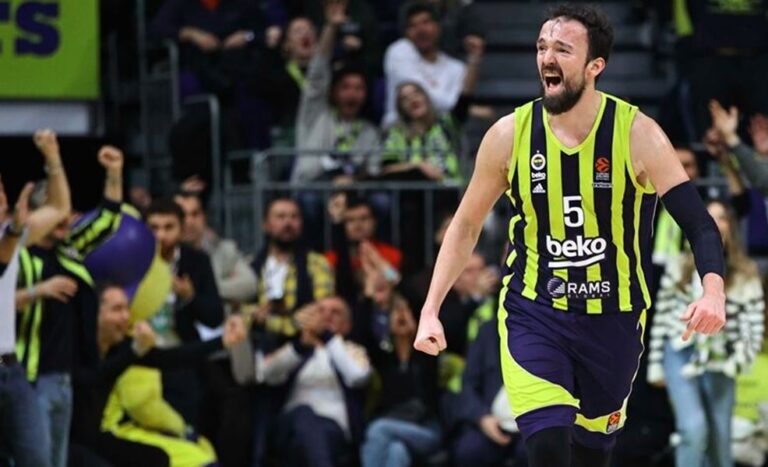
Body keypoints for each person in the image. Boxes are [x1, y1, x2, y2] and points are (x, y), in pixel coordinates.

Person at [412, 5, 727, 467]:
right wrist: (431, 308)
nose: (547, 57)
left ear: (595, 65)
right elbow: (465, 225)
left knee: (590, 455)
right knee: (548, 445)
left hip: (614, 317)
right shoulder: (509, 135)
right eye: (542, 47)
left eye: (563, 49)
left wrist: (713, 290)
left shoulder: (638, 134)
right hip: (534, 310)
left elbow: (699, 222)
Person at [13, 140, 125, 467]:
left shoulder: (69, 250)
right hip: (28, 376)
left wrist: (115, 173)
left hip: (64, 376)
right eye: (58, 214)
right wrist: (40, 291)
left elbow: (107, 220)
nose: (67, 219)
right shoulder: (16, 255)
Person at [648, 200, 765, 467]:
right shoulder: (679, 267)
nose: (715, 224)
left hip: (722, 358)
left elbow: (753, 325)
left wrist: (737, 362)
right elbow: (662, 317)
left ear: (731, 225)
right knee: (693, 429)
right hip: (681, 351)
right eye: (708, 218)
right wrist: (655, 366)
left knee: (720, 439)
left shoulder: (746, 274)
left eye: (721, 218)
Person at [258, 297, 371, 467]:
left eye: (335, 312)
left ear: (347, 325)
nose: (326, 316)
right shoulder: (295, 349)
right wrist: (300, 346)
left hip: (332, 431)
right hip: (288, 426)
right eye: (321, 310)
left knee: (307, 438)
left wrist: (327, 336)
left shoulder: (352, 351)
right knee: (304, 413)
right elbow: (265, 374)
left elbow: (358, 377)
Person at [144, 198, 225, 425]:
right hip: (143, 356)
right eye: (153, 228)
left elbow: (215, 317)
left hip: (182, 356)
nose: (160, 235)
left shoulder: (197, 261)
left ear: (181, 230)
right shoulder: (134, 262)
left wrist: (190, 297)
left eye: (168, 227)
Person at [290, 0, 380, 184]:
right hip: (310, 189)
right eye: (345, 87)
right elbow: (317, 74)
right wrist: (331, 28)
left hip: (351, 192)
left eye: (358, 88)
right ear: (334, 93)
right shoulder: (316, 114)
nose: (352, 94)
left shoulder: (370, 132)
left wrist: (353, 180)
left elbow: (374, 172)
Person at [382, 2, 483, 126]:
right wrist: (468, 109)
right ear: (406, 33)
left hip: (443, 133)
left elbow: (459, 110)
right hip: (399, 131)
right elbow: (420, 96)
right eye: (413, 26)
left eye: (426, 22)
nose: (421, 30)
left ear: (438, 27)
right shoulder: (399, 51)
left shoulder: (456, 68)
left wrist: (474, 58)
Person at [248, 197, 335, 340]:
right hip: (256, 341)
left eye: (294, 217)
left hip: (304, 342)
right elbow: (239, 310)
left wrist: (271, 321)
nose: (288, 223)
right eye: (280, 216)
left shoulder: (317, 263)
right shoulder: (251, 265)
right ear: (266, 225)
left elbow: (322, 309)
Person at [710, 101, 768, 195]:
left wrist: (730, 137)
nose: (762, 134)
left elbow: (764, 179)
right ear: (750, 131)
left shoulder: (748, 161)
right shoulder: (741, 159)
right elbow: (740, 198)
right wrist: (722, 155)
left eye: (765, 127)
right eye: (756, 128)